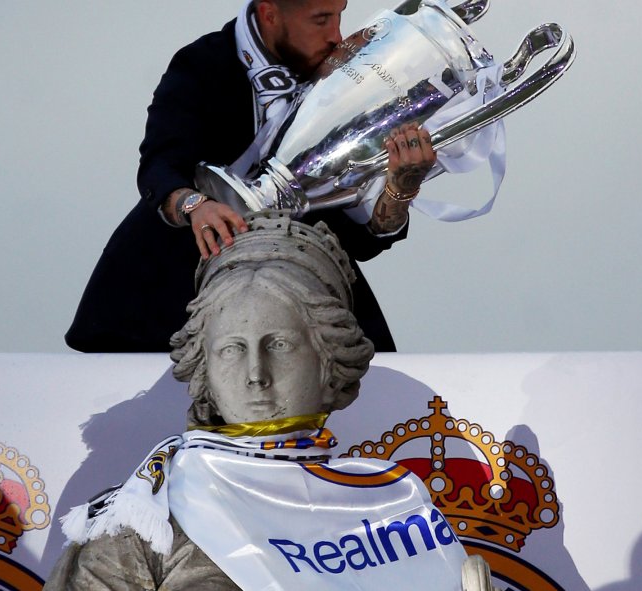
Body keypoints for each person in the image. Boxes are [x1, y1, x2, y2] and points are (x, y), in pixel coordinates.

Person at [46, 213, 493, 590]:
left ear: (328, 363)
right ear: (203, 367)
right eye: (231, 349)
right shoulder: (143, 520)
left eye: (278, 344)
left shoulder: (394, 508)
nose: (256, 375)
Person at [64, 0, 436, 353]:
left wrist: (401, 188)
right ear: (270, 14)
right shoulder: (203, 63)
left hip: (301, 295)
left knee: (367, 394)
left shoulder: (347, 77)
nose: (336, 36)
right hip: (164, 295)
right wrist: (196, 205)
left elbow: (360, 241)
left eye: (340, 15)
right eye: (321, 19)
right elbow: (160, 165)